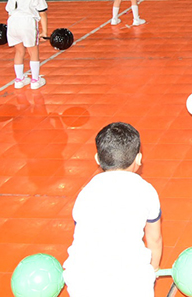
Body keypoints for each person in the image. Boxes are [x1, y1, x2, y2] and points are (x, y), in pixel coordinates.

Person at [63, 122, 163, 297]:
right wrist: (153, 269)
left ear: (97, 159)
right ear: (139, 159)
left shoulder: (85, 193)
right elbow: (154, 239)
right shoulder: (146, 191)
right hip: (131, 283)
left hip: (81, 281)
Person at [5, 0, 48, 90]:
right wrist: (44, 32)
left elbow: (9, 11)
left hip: (12, 23)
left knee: (19, 52)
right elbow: (43, 14)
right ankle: (35, 80)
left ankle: (19, 79)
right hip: (27, 24)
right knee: (33, 52)